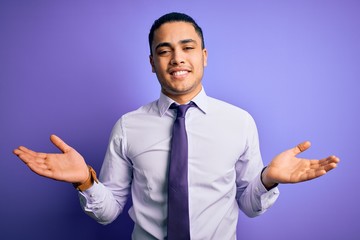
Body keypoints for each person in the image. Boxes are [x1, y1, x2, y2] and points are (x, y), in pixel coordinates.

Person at [13, 12, 340, 240]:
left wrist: (268, 179)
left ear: (204, 56)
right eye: (164, 50)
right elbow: (109, 211)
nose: (177, 58)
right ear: (153, 63)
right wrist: (85, 181)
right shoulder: (128, 127)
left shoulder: (239, 122)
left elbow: (249, 206)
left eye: (187, 48)